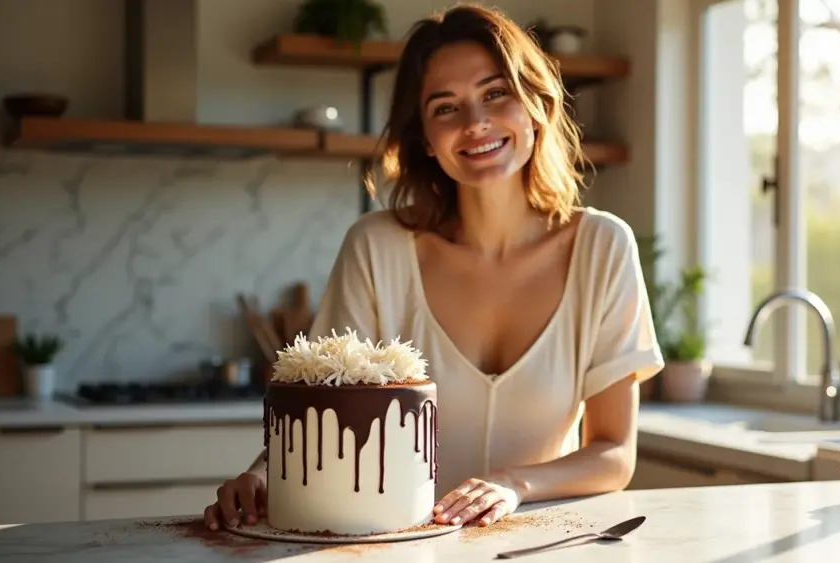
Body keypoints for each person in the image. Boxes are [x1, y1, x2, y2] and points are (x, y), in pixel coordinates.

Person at [204, 4, 664, 531]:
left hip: (532, 546)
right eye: (446, 108)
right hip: (394, 546)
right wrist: (265, 473)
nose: (476, 124)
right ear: (425, 137)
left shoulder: (603, 247)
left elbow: (613, 454)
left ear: (535, 104)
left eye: (496, 93)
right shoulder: (377, 249)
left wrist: (514, 484)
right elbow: (318, 410)